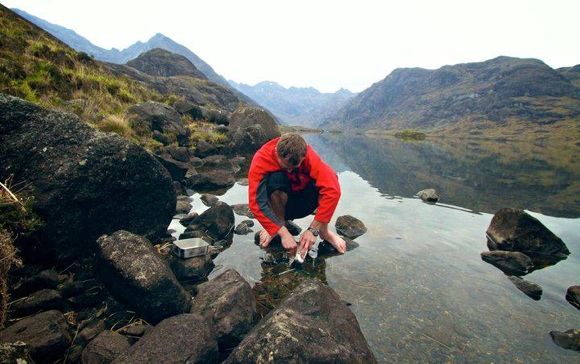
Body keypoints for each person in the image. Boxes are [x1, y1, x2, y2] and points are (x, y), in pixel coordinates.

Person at [248, 133, 346, 258]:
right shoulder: (261, 159)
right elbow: (256, 203)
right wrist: (281, 232)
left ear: (304, 156)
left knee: (329, 180)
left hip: (304, 203)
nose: (289, 170)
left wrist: (313, 230)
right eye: (285, 166)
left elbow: (333, 190)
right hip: (280, 204)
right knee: (276, 178)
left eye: (294, 167)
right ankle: (279, 224)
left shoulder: (308, 155)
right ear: (276, 152)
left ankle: (324, 231)